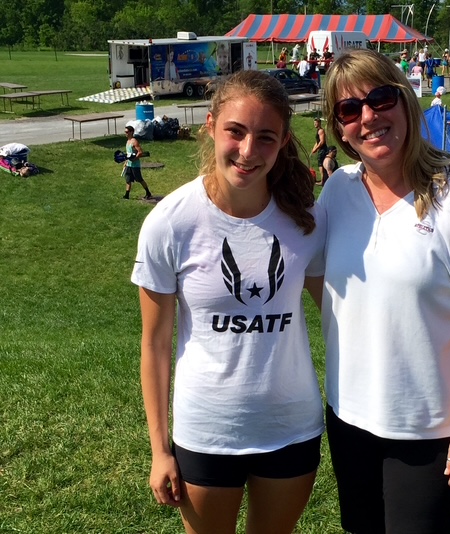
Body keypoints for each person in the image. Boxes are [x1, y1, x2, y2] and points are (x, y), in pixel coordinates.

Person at [315, 48, 450, 533]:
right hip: (349, 419)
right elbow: (318, 279)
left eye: (380, 98)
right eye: (349, 109)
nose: (368, 117)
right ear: (339, 129)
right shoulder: (337, 192)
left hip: (431, 432)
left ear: (405, 101)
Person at [132, 69, 326, 534]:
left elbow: (343, 314)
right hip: (207, 430)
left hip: (291, 427)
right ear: (210, 124)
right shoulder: (171, 223)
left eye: (265, 138)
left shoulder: (304, 221)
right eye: (235, 132)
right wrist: (160, 450)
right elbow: (155, 345)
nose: (247, 151)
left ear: (282, 143)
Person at [122, 126, 152, 200]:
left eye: (127, 132)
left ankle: (148, 193)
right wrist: (126, 162)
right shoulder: (127, 141)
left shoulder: (134, 141)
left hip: (135, 165)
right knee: (128, 180)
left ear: (131, 132)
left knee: (139, 179)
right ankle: (126, 195)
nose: (125, 133)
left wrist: (134, 159)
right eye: (125, 132)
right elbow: (128, 153)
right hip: (129, 164)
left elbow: (140, 152)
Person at [310, 117, 327, 183]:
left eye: (316, 123)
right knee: (320, 164)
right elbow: (317, 141)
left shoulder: (320, 131)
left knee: (321, 165)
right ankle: (323, 180)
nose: (315, 124)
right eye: (314, 123)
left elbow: (322, 141)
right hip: (321, 149)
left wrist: (316, 148)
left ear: (319, 123)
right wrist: (314, 149)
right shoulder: (318, 130)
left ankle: (322, 181)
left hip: (322, 150)